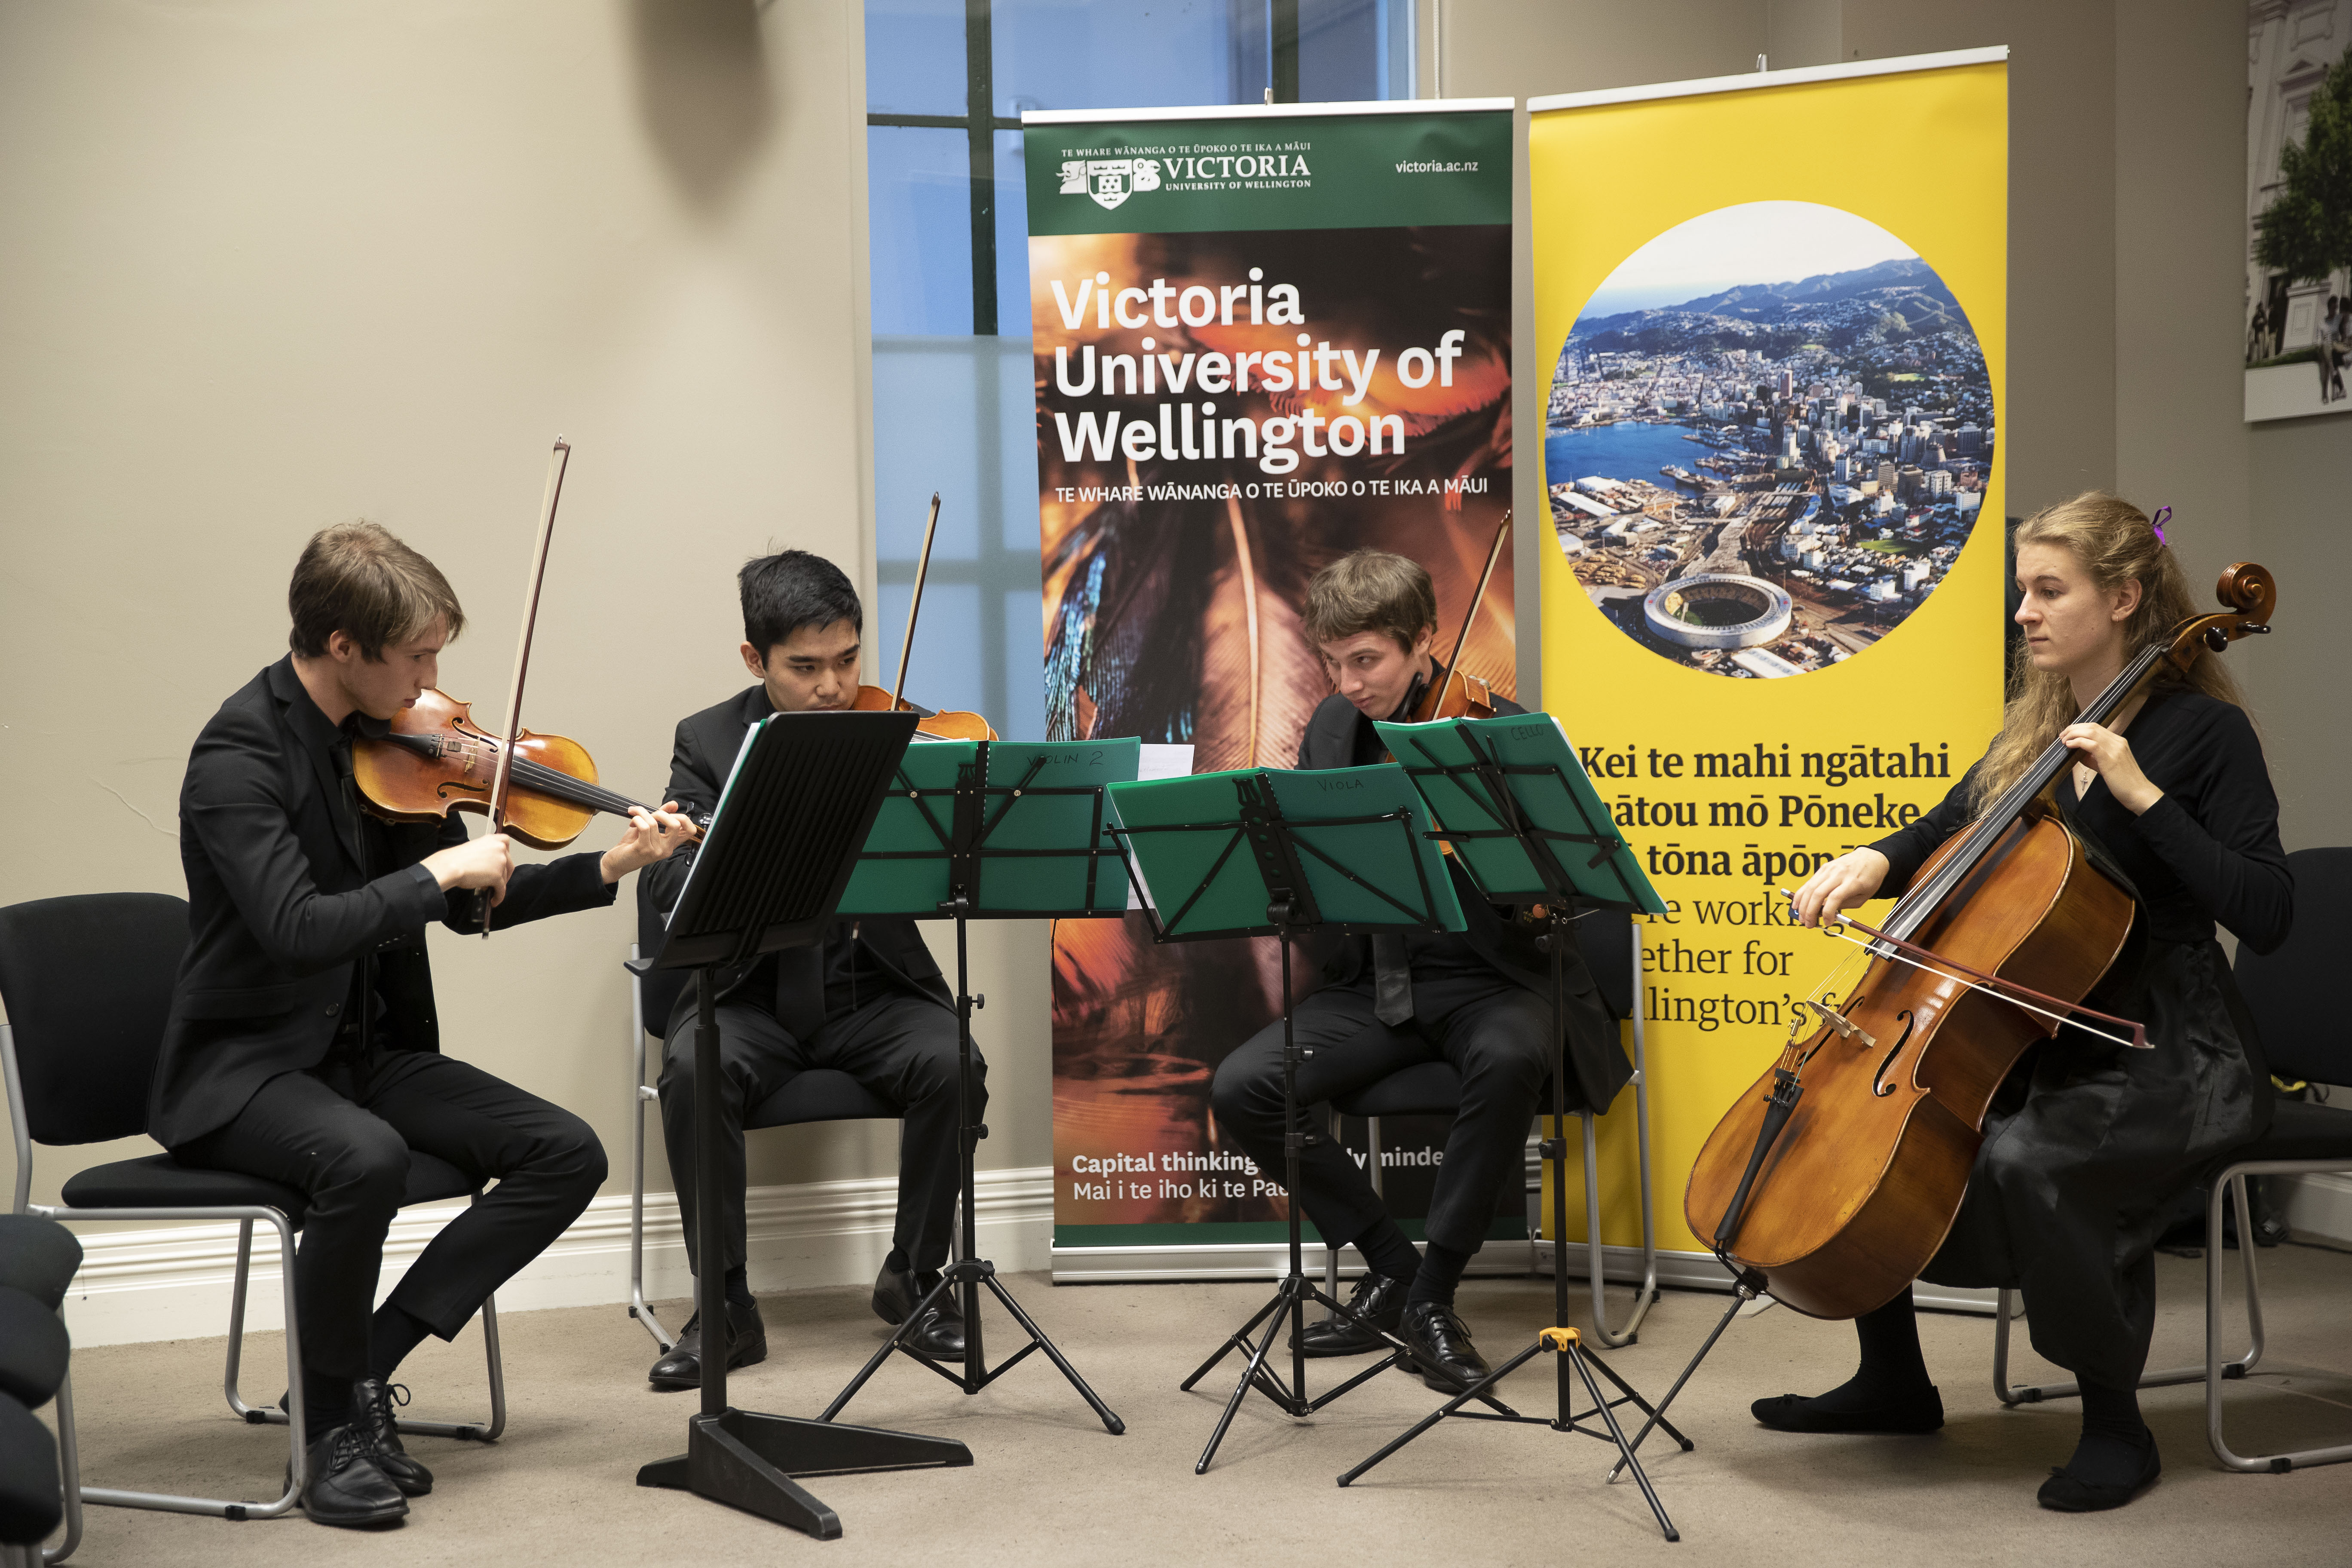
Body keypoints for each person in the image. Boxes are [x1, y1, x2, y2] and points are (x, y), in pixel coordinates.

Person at [1760, 492, 2291, 1512]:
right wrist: (1873, 858)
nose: (2025, 614)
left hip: (2170, 1045)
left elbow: (2266, 911)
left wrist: (2142, 795)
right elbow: (1950, 824)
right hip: (2046, 1030)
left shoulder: (2204, 737)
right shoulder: (2042, 725)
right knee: (1893, 1129)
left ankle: (2114, 1427)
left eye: (2049, 591)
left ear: (2126, 598)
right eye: (2022, 593)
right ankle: (1894, 1380)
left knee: (2029, 1156)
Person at [159, 523, 696, 1527]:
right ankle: (327, 1433)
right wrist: (431, 871)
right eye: (416, 657)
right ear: (342, 646)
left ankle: (361, 1361)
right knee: (361, 1159)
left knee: (563, 1151)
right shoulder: (240, 754)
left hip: (365, 1052)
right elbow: (294, 928)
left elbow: (468, 902)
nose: (433, 679)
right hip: (246, 1067)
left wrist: (612, 867)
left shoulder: (393, 746)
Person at [1206, 549, 1624, 1392]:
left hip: (1495, 976)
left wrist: (1506, 873)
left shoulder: (1493, 731)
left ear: (1425, 639)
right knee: (1242, 1085)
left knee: (1510, 1058)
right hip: (1379, 984)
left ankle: (1433, 1298)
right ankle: (1394, 1267)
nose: (1348, 681)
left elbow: (1556, 885)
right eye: (1333, 662)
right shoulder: (1330, 730)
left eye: (1368, 660)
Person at [637, 549, 980, 1391]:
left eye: (847, 661)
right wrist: (746, 842)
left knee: (955, 1061)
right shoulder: (709, 740)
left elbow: (961, 852)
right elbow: (667, 879)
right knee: (693, 1064)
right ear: (756, 661)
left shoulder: (899, 731)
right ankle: (724, 1306)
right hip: (748, 991)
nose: (832, 688)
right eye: (805, 668)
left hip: (871, 986)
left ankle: (913, 1274)